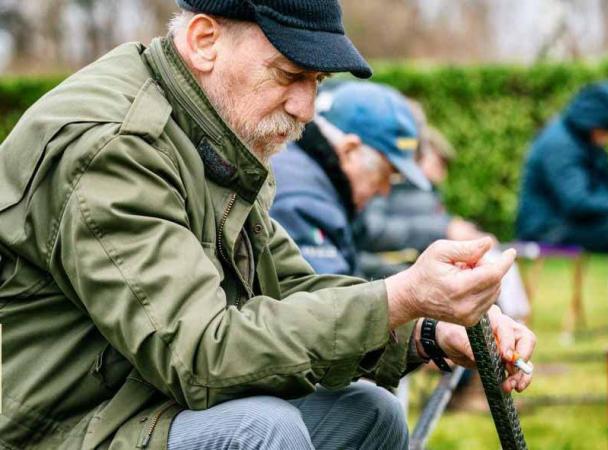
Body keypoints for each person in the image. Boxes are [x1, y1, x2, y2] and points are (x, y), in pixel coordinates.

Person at [0, 2, 535, 449]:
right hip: (60, 427)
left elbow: (293, 290)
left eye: (317, 80)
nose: (306, 108)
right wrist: (399, 296)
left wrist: (428, 329)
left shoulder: (209, 130)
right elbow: (204, 356)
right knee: (262, 430)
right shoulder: (116, 149)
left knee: (369, 413)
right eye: (288, 74)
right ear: (205, 39)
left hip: (140, 398)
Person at [355, 100, 530, 321]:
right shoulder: (381, 176)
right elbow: (374, 230)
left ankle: (505, 328)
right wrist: (444, 229)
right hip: (387, 265)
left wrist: (454, 230)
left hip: (410, 256)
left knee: (488, 263)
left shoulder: (412, 183)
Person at [270, 81, 432, 275]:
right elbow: (330, 296)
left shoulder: (314, 180)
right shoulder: (304, 202)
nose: (385, 190)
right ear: (349, 151)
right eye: (387, 175)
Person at [516, 81, 608, 256]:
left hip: (570, 220)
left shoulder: (584, 140)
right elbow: (578, 203)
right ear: (595, 122)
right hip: (547, 227)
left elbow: (597, 190)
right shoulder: (559, 145)